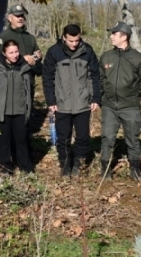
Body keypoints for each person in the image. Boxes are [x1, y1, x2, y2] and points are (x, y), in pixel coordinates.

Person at [42, 24, 101, 177]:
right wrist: (51, 101)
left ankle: (78, 165)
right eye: (71, 41)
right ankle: (65, 165)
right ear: (64, 38)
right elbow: (48, 78)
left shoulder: (87, 51)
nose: (74, 44)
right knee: (63, 137)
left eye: (77, 40)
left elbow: (94, 75)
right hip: (61, 104)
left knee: (82, 136)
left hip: (83, 103)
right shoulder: (54, 52)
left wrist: (95, 97)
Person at [99, 22, 141, 181]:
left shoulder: (138, 58)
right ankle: (105, 171)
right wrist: (105, 93)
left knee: (132, 140)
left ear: (124, 37)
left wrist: (133, 94)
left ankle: (136, 171)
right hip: (109, 106)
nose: (111, 37)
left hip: (130, 107)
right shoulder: (106, 57)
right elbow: (100, 77)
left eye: (114, 34)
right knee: (107, 138)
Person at [0, 4, 42, 156]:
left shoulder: (30, 38)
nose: (20, 18)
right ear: (10, 18)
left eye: (22, 15)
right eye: (17, 15)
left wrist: (36, 59)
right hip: (11, 86)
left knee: (26, 119)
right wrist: (24, 59)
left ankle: (24, 151)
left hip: (27, 83)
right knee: (10, 122)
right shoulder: (4, 37)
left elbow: (37, 60)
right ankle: (10, 153)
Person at [0, 40, 33, 174]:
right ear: (4, 53)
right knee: (4, 141)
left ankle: (25, 167)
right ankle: (5, 168)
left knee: (21, 140)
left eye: (16, 52)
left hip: (20, 110)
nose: (14, 55)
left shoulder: (25, 67)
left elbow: (29, 89)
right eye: (11, 52)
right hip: (3, 111)